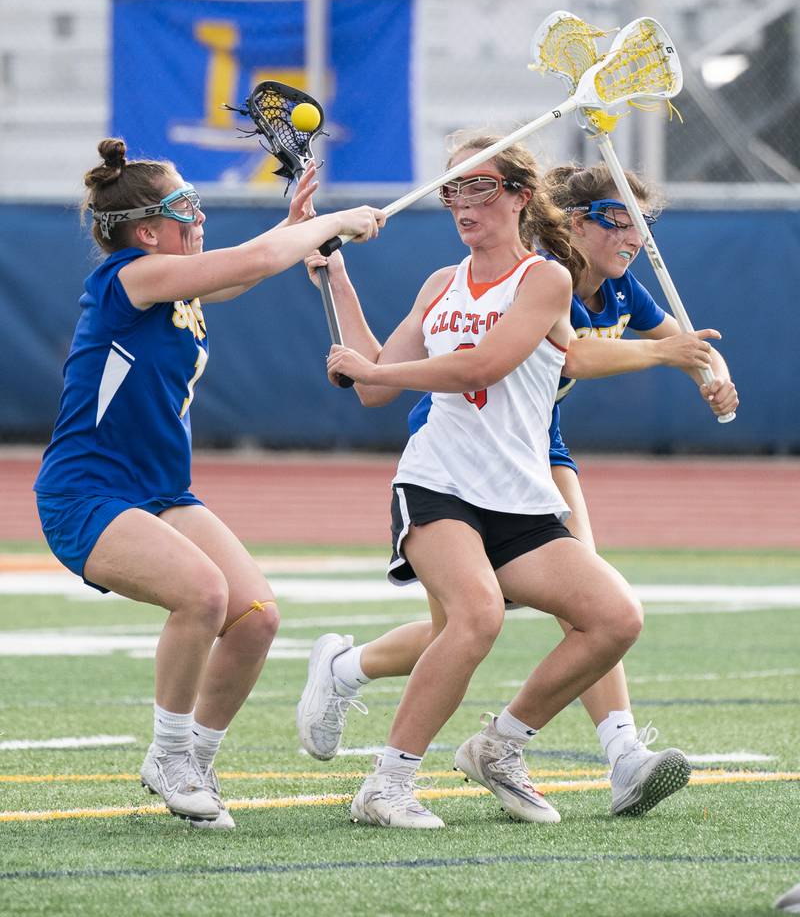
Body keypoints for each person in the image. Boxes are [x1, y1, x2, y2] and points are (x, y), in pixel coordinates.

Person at [297, 147, 738, 825]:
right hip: (439, 478)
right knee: (477, 616)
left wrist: (696, 367)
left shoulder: (544, 280)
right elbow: (373, 384)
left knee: (614, 616)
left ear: (519, 196)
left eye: (476, 187)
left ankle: (499, 744)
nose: (462, 202)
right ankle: (386, 785)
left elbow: (489, 364)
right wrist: (338, 280)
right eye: (452, 191)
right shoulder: (441, 282)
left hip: (518, 484)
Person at [33, 138, 384, 830]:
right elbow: (250, 262)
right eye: (184, 205)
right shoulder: (129, 277)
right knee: (202, 595)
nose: (198, 215)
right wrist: (328, 225)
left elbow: (241, 274)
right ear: (145, 231)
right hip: (88, 492)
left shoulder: (180, 282)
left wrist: (296, 229)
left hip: (161, 492)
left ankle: (195, 755)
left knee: (256, 617)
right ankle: (166, 754)